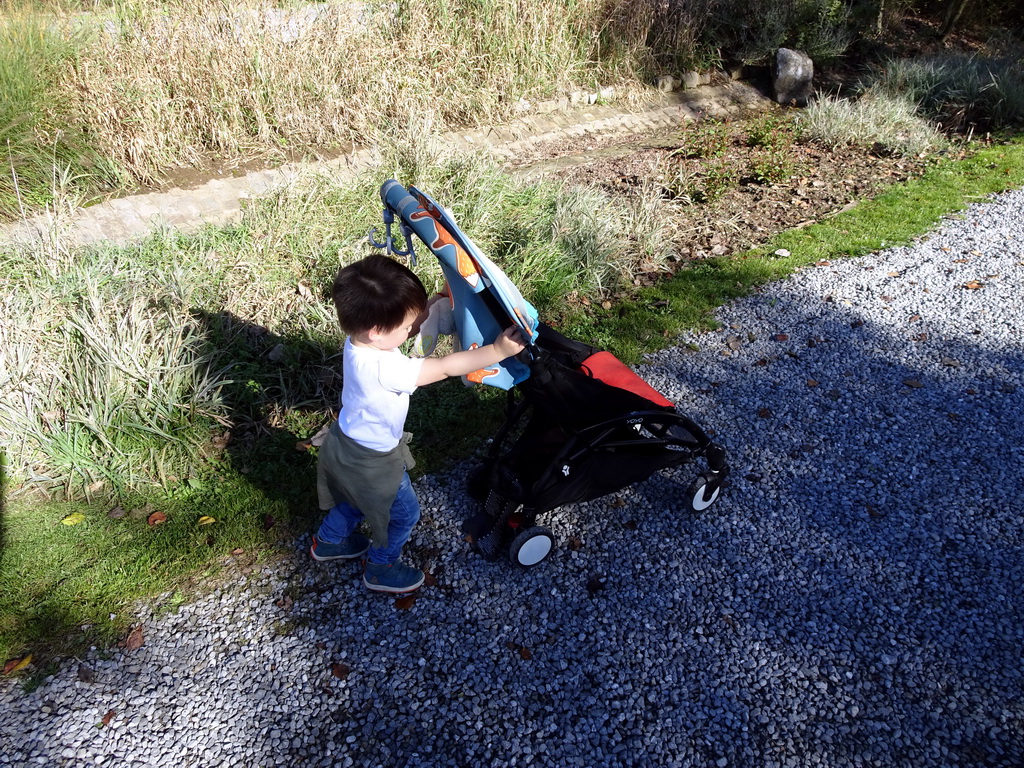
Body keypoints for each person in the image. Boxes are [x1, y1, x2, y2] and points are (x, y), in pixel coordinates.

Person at [310, 253, 526, 593]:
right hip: (375, 462)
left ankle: (328, 542)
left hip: (345, 444)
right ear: (378, 332)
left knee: (353, 499)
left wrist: (436, 302)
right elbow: (443, 367)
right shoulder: (387, 368)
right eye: (407, 326)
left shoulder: (359, 342)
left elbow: (403, 324)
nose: (413, 328)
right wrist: (497, 351)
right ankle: (381, 569)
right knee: (403, 515)